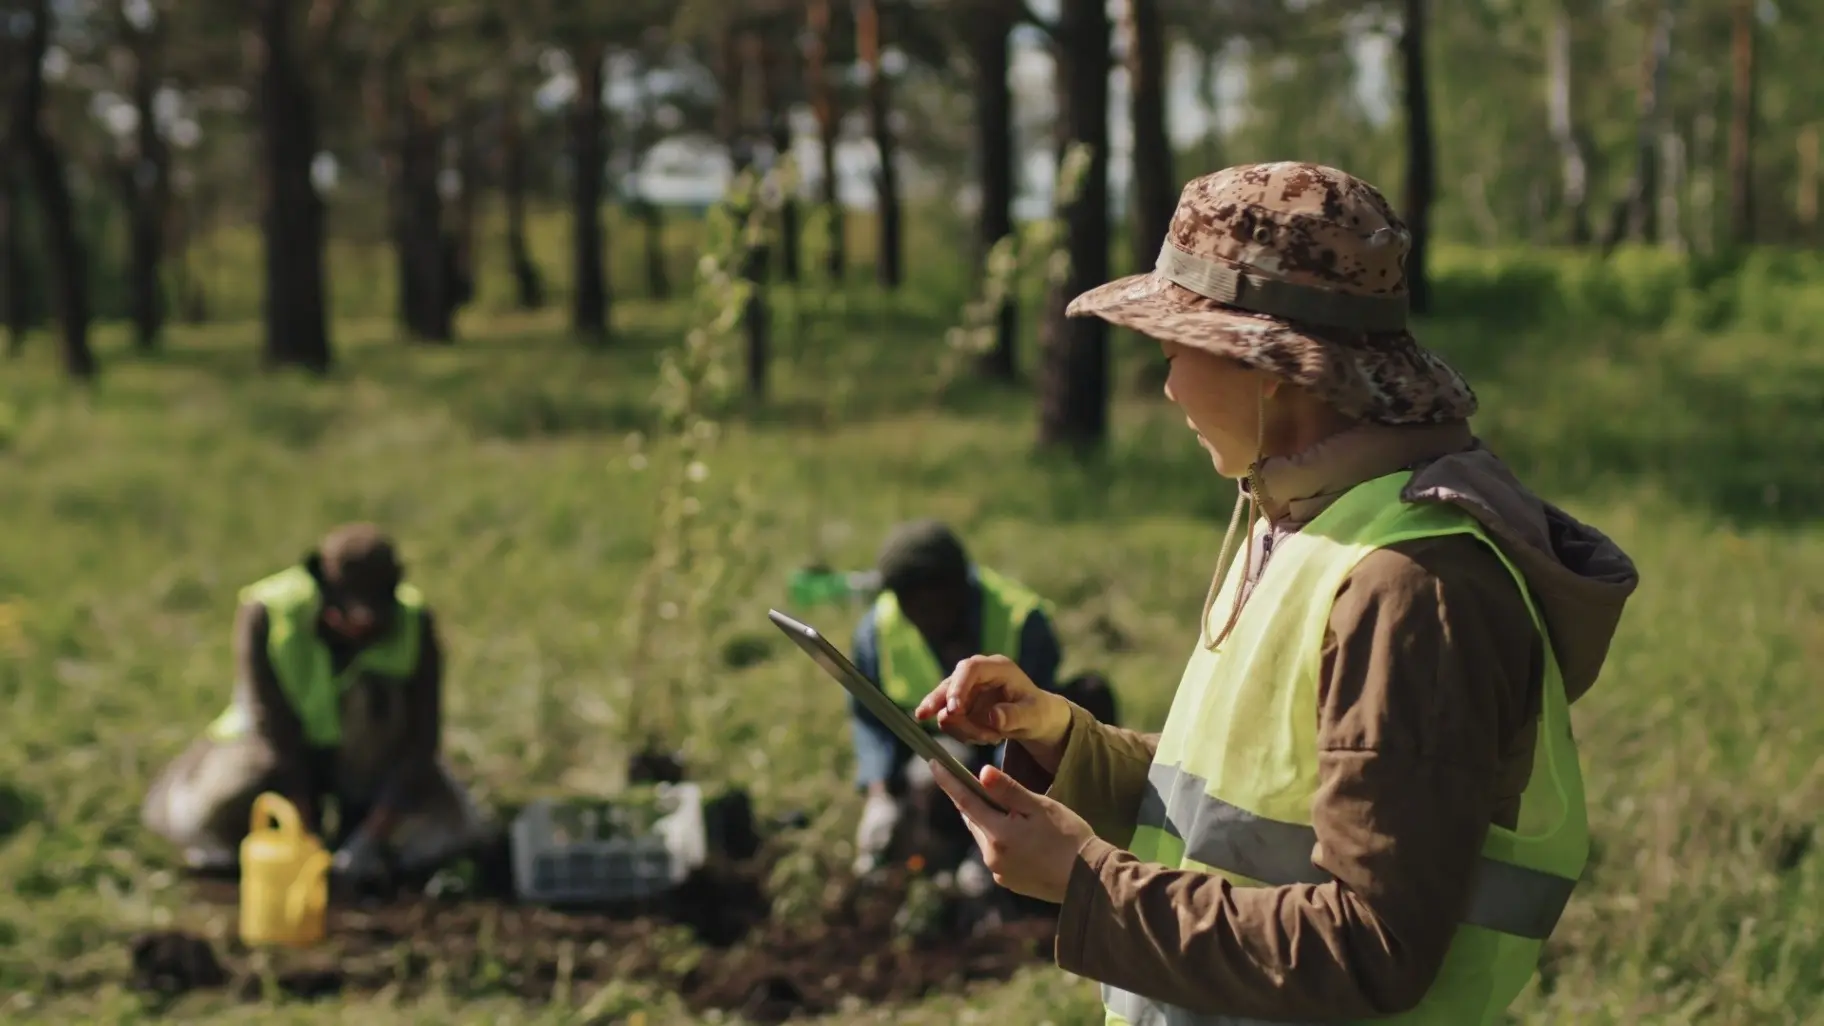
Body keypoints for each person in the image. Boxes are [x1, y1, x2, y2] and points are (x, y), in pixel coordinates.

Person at [916, 162, 1641, 1024]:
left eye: (1176, 351)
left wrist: (1089, 883)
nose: (1167, 388)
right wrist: (1066, 740)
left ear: (1268, 365)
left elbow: (1371, 948)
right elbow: (1248, 807)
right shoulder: (1305, 520)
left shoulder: (1412, 589)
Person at [142, 523, 492, 886]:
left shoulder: (414, 622)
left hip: (367, 761)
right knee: (199, 820)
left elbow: (422, 741)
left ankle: (367, 835)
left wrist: (371, 836)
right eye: (352, 613)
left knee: (456, 835)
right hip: (271, 757)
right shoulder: (269, 612)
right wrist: (305, 835)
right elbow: (270, 728)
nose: (362, 624)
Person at [845, 520, 1068, 890]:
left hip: (1010, 752)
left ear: (962, 588)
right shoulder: (877, 632)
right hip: (936, 752)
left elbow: (1036, 729)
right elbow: (870, 719)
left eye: (937, 605)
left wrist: (1003, 811)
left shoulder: (1020, 622)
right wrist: (880, 794)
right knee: (930, 782)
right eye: (915, 608)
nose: (927, 619)